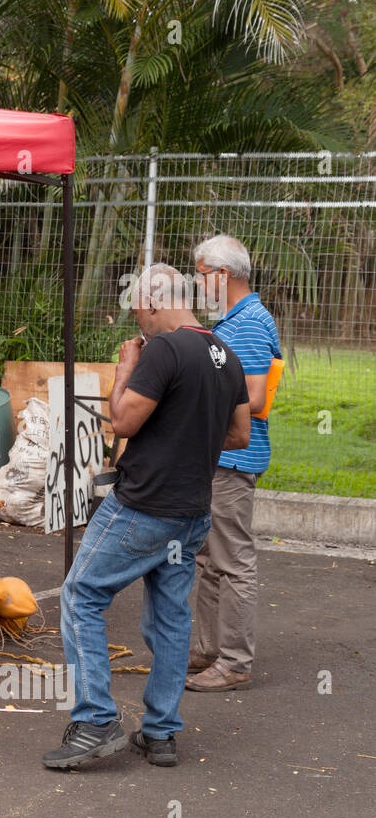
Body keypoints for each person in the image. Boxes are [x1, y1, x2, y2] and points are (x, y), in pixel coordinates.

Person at [42, 264, 250, 770]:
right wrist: (186, 436)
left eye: (138, 308)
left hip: (143, 506)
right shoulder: (226, 355)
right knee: (171, 616)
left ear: (155, 301)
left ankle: (94, 721)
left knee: (81, 594)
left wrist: (124, 370)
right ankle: (160, 733)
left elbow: (122, 421)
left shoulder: (164, 348)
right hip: (191, 512)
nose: (138, 318)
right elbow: (240, 435)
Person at [186, 235, 282, 693]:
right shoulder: (237, 320)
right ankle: (209, 650)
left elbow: (257, 396)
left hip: (233, 456)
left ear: (222, 276)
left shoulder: (247, 324)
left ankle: (235, 661)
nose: (198, 285)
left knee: (233, 559)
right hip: (221, 455)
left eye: (201, 276)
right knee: (210, 558)